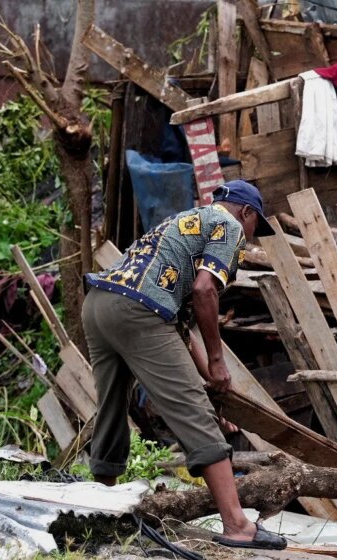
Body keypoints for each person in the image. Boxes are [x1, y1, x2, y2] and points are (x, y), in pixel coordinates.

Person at [82, 180, 285, 550]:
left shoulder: (183, 222)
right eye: (256, 227)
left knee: (111, 409)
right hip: (138, 311)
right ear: (247, 212)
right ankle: (238, 525)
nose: (251, 238)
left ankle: (100, 511)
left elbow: (180, 329)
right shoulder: (229, 225)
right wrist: (218, 360)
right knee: (193, 412)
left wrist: (213, 378)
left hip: (99, 304)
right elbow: (204, 289)